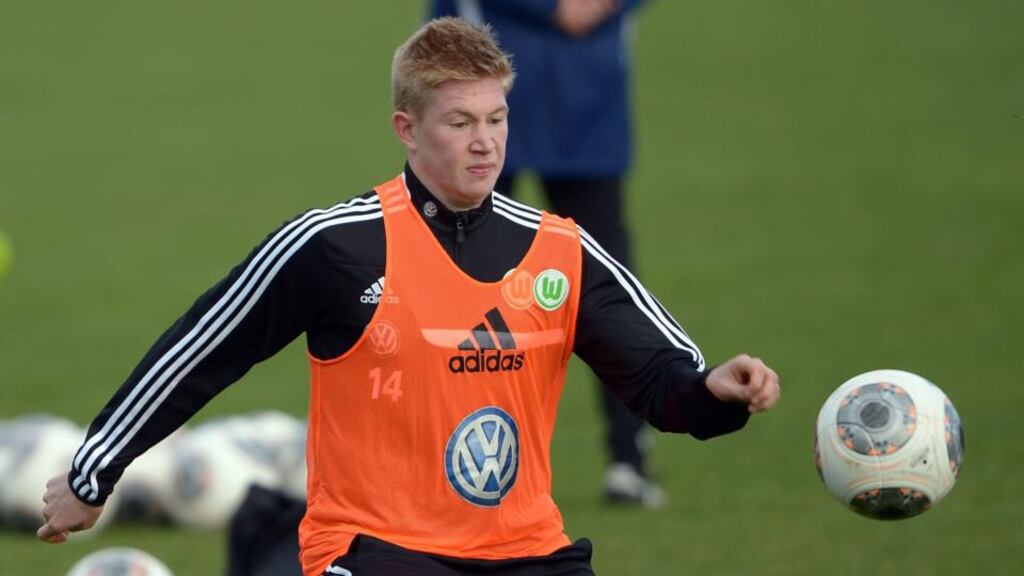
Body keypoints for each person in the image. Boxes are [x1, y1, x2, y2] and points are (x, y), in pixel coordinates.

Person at [38, 18, 780, 576]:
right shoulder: (336, 245)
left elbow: (660, 384)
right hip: (374, 554)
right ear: (407, 129)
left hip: (528, 554)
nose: (485, 142)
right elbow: (202, 348)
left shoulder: (562, 250)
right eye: (460, 123)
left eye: (496, 119)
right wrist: (94, 470)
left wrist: (714, 391)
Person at [428, 1, 662, 506]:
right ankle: (463, 464)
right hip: (482, 96)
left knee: (603, 281)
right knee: (466, 282)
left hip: (582, 97)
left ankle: (628, 458)